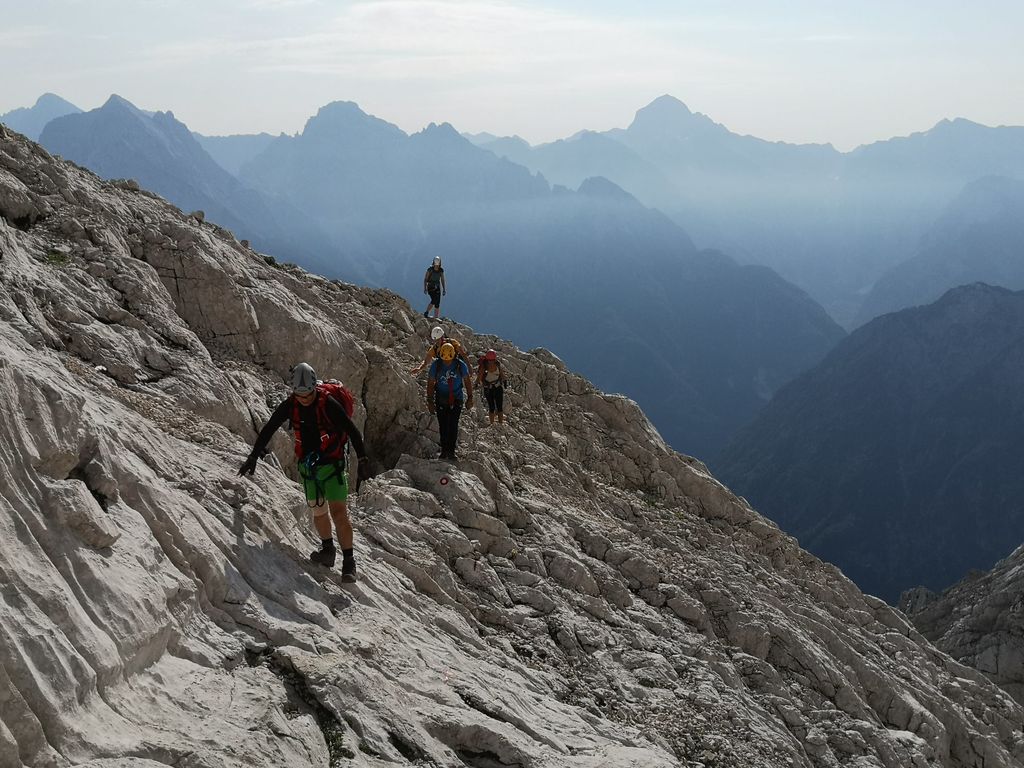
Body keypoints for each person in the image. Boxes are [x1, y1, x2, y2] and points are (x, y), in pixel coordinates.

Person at [238, 363, 367, 581]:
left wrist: (362, 460)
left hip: (333, 465)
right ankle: (327, 550)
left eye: (308, 394)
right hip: (309, 467)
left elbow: (351, 430)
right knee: (318, 511)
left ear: (314, 389)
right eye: (300, 395)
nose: (304, 399)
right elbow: (270, 427)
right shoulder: (291, 404)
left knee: (338, 513)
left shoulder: (328, 403)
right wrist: (253, 456)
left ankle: (349, 563)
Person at [426, 343, 473, 460]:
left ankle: (451, 451)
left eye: (448, 360)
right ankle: (444, 451)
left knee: (453, 424)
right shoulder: (436, 365)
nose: (446, 362)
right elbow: (430, 383)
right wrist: (430, 401)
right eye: (444, 360)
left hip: (456, 399)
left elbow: (467, 381)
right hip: (441, 399)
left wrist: (470, 397)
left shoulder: (460, 365)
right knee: (443, 425)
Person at [476, 348, 506, 426]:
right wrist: (476, 384)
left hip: (495, 387)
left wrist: (504, 380)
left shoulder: (497, 364)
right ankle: (493, 424)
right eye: (490, 360)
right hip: (489, 388)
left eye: (492, 360)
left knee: (499, 406)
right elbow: (479, 377)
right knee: (492, 406)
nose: (491, 362)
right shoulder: (484, 366)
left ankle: (499, 423)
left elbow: (502, 374)